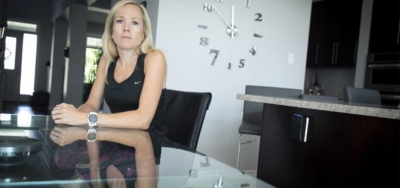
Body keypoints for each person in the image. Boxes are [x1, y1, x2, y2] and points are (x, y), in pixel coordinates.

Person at [49, 0, 167, 187]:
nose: (127, 28)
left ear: (144, 32)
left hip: (146, 147)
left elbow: (143, 120)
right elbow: (92, 104)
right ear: (112, 31)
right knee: (59, 166)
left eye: (135, 23)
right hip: (116, 140)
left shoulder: (154, 58)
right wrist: (74, 114)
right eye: (120, 21)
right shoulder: (107, 59)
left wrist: (84, 119)